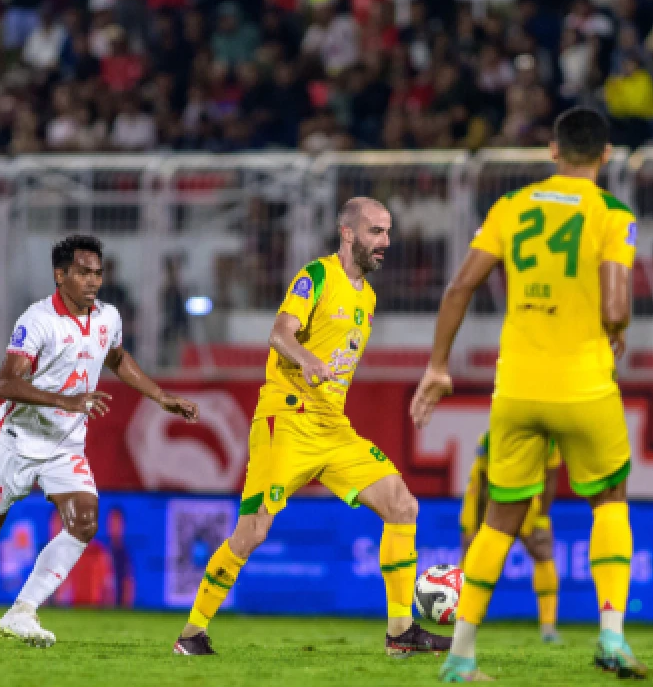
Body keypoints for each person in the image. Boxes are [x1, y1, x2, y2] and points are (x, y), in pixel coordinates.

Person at [412, 107, 645, 682]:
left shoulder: (511, 207)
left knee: (499, 519)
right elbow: (616, 306)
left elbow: (460, 286)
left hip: (515, 387)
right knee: (609, 500)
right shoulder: (613, 214)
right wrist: (615, 331)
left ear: (552, 150)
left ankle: (461, 655)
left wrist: (438, 366)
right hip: (584, 384)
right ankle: (611, 636)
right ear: (606, 155)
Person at [173, 197, 451, 658]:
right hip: (287, 419)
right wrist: (306, 359)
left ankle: (400, 633)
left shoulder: (368, 297)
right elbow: (280, 333)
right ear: (348, 233)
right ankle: (191, 633)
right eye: (376, 231)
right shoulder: (316, 276)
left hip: (332, 427)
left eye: (388, 232)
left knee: (402, 505)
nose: (385, 241)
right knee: (252, 532)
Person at [0, 235, 199, 646]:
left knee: (85, 522)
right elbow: (5, 383)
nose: (93, 281)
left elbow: (117, 358)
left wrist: (161, 396)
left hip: (64, 446)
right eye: (83, 272)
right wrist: (67, 400)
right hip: (16, 440)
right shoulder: (37, 320)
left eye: (98, 273)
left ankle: (22, 611)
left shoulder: (108, 317)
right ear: (60, 275)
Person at [460, 432, 563, 644]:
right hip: (494, 496)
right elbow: (483, 481)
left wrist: (540, 517)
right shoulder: (492, 437)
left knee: (542, 551)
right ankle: (460, 618)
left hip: (529, 495)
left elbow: (550, 478)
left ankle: (548, 627)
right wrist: (476, 525)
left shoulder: (550, 441)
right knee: (473, 552)